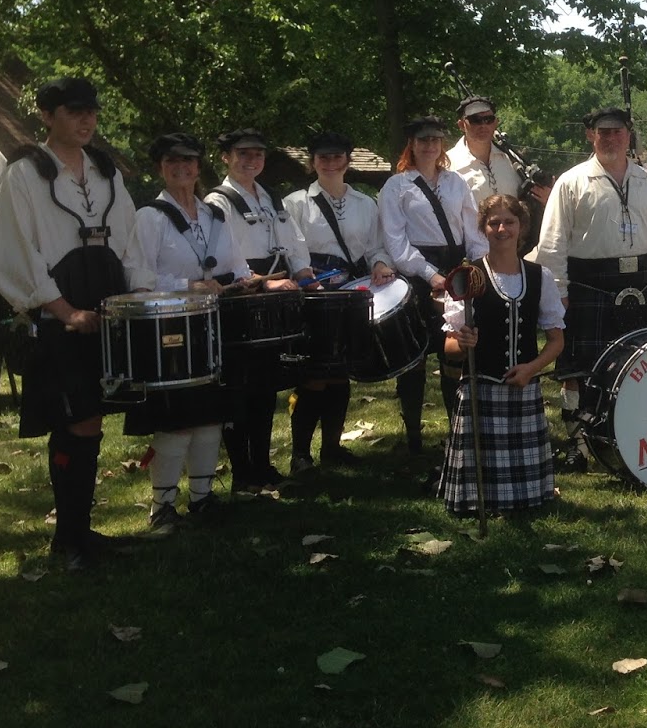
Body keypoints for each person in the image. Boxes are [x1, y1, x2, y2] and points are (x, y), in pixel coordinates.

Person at [0, 77, 154, 571]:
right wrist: (63, 312)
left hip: (105, 304)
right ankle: (68, 539)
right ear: (47, 115)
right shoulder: (24, 174)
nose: (86, 121)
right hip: (63, 311)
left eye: (92, 113)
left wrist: (134, 299)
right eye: (74, 111)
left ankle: (79, 532)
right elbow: (19, 253)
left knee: (92, 418)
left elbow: (129, 241)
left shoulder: (106, 170)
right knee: (72, 420)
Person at [133, 133, 269, 526]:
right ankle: (162, 508)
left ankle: (203, 498)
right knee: (178, 420)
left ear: (198, 166)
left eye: (189, 162)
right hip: (171, 329)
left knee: (212, 415)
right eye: (173, 162)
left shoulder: (214, 215)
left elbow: (236, 264)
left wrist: (249, 280)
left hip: (214, 324)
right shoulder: (150, 217)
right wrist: (186, 286)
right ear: (161, 167)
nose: (182, 169)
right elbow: (137, 276)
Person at [532, 106, 647, 460]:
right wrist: (559, 293)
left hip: (641, 284)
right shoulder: (572, 182)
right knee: (577, 370)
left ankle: (632, 435)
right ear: (590, 135)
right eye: (603, 132)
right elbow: (553, 244)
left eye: (617, 132)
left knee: (640, 364)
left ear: (628, 136)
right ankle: (578, 445)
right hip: (586, 287)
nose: (610, 138)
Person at [438, 195, 565, 515]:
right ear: (483, 228)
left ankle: (524, 496)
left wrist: (531, 369)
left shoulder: (540, 277)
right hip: (480, 388)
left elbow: (556, 340)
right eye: (494, 222)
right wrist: (462, 342)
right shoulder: (468, 277)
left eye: (509, 221)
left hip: (523, 387)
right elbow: (449, 348)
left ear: (521, 227)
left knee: (528, 503)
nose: (501, 228)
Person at [282, 130, 396, 473]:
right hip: (315, 296)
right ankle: (301, 454)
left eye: (336, 157)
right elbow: (293, 248)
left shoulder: (366, 203)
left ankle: (332, 448)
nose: (330, 163)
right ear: (312, 162)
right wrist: (306, 278)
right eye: (323, 158)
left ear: (347, 161)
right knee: (314, 375)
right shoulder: (295, 203)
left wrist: (379, 263)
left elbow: (376, 246)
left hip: (353, 293)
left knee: (341, 373)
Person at [206, 128, 312, 489]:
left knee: (266, 386)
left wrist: (304, 271)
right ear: (226, 156)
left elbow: (292, 238)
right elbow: (225, 257)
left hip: (273, 298)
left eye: (257, 154)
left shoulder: (269, 197)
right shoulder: (218, 201)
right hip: (241, 300)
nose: (251, 160)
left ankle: (263, 465)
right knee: (239, 386)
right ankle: (241, 472)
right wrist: (263, 282)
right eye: (243, 154)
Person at [378, 114, 488, 453]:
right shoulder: (396, 186)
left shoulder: (456, 182)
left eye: (435, 140)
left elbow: (473, 230)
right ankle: (413, 438)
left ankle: (458, 433)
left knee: (455, 353)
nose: (429, 145)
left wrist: (481, 267)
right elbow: (396, 244)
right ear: (411, 144)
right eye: (423, 140)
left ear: (442, 144)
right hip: (415, 275)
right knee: (415, 359)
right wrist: (431, 276)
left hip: (457, 272)